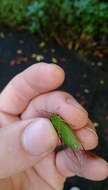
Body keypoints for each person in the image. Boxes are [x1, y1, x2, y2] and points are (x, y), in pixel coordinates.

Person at [0, 63, 107, 190]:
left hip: (66, 135)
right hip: (66, 135)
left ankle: (76, 149)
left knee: (75, 133)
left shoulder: (56, 120)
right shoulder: (56, 120)